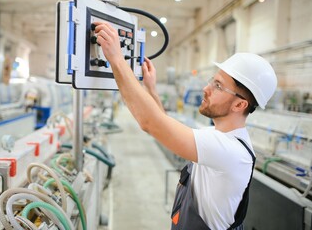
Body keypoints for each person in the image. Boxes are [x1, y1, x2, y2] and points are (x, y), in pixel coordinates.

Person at [94, 22, 277, 230]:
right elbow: (164, 124)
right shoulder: (216, 135)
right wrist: (151, 88)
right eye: (212, 81)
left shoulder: (229, 150)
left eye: (218, 86)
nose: (206, 89)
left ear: (240, 104)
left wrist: (117, 59)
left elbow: (150, 123)